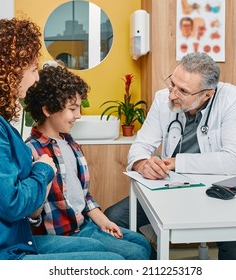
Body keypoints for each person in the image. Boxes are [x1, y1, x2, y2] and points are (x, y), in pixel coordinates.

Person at [0, 18, 123, 260]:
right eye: (32, 70)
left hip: (10, 240)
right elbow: (14, 203)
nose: (36, 78)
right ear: (8, 71)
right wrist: (43, 169)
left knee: (103, 252)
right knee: (110, 261)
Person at [104, 52, 236, 260]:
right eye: (172, 84)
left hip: (214, 189)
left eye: (182, 91)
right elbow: (140, 147)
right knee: (113, 219)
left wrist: (176, 162)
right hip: (167, 188)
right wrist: (141, 164)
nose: (172, 94)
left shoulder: (231, 99)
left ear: (207, 94)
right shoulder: (162, 98)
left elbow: (233, 161)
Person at [23, 63, 151, 260]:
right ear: (48, 109)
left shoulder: (70, 143)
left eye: (79, 107)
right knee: (134, 254)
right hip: (58, 236)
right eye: (72, 108)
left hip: (82, 225)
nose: (79, 115)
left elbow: (82, 195)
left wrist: (102, 220)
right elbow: (31, 213)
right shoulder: (30, 151)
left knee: (141, 243)